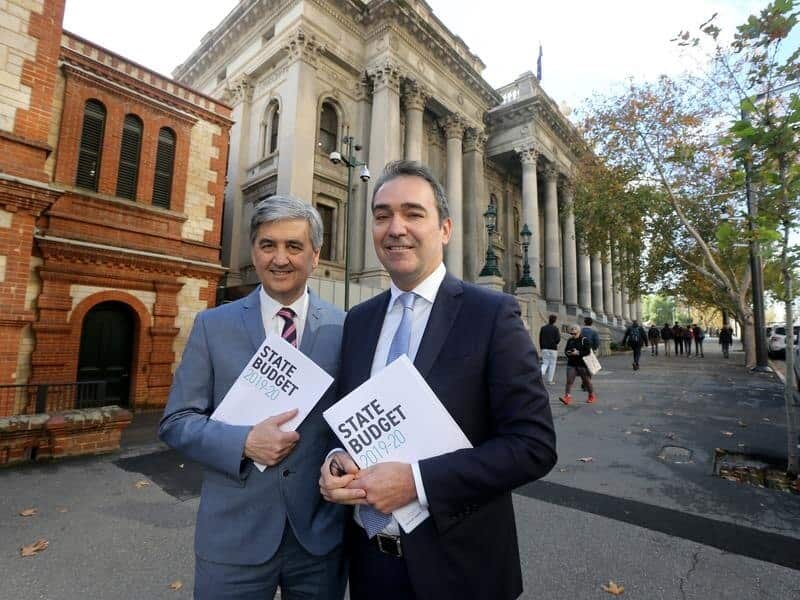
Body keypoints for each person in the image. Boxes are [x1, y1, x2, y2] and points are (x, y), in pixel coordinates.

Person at [319, 160, 557, 600]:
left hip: (461, 570)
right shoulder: (359, 321)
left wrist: (417, 482)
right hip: (371, 566)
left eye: (413, 213)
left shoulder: (492, 316)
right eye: (382, 214)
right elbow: (352, 422)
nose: (395, 228)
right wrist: (337, 459)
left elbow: (533, 446)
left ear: (445, 229)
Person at [159, 196, 347, 600]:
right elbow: (177, 422)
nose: (280, 258)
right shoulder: (213, 326)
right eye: (268, 245)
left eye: (294, 246)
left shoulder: (345, 329)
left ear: (315, 255)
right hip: (232, 538)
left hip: (318, 539)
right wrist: (243, 442)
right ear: (253, 251)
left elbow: (346, 425)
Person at [559, 324, 596, 405]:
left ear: (579, 332)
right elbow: (566, 350)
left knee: (586, 382)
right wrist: (568, 353)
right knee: (569, 381)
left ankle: (591, 395)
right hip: (571, 363)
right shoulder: (570, 340)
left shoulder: (584, 340)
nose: (573, 335)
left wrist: (578, 353)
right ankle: (567, 397)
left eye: (574, 333)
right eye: (571, 333)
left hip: (582, 364)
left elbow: (588, 352)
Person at [539, 314, 560, 385]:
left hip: (544, 348)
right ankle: (550, 380)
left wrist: (541, 347)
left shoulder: (543, 328)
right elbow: (558, 339)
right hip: (553, 349)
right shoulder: (555, 329)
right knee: (552, 365)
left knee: (545, 363)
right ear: (555, 321)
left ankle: (539, 376)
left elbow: (540, 338)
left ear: (549, 319)